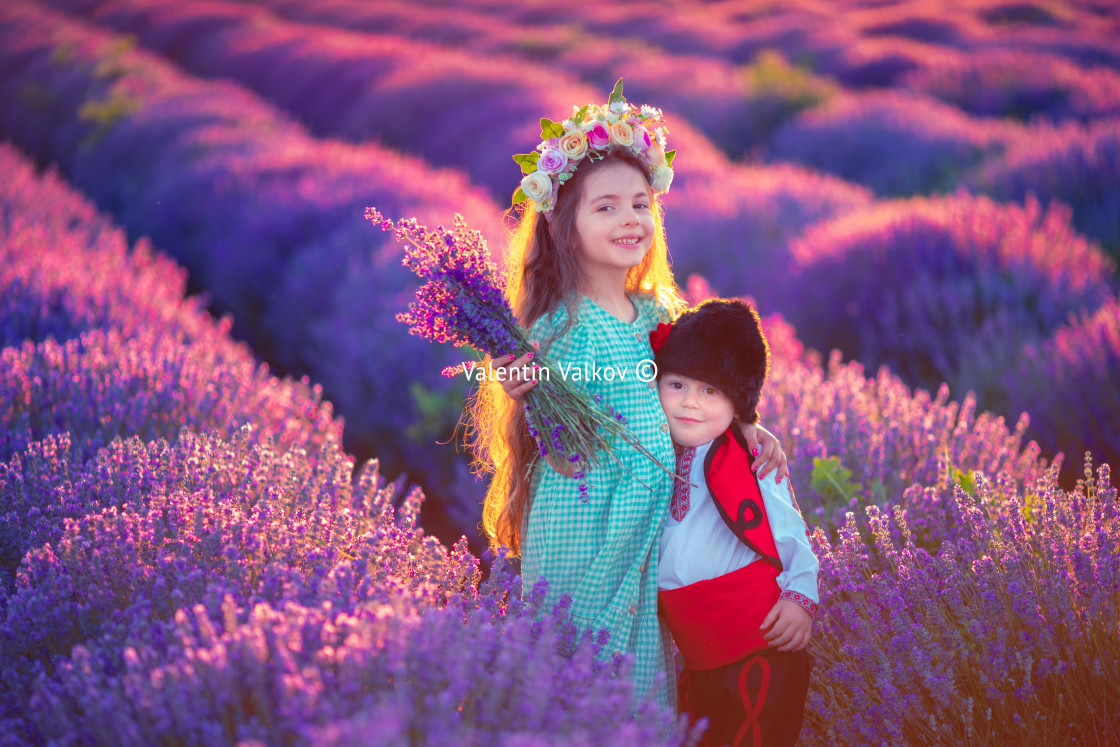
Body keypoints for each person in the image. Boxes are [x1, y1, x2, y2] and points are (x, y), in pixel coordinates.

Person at [470, 81, 790, 709]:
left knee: (640, 686)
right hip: (583, 524)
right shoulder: (558, 326)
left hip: (646, 530)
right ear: (565, 227)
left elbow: (700, 393)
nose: (630, 220)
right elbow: (534, 401)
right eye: (606, 207)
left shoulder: (658, 316)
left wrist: (743, 423)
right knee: (568, 675)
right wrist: (520, 386)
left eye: (640, 204)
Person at [653, 298, 818, 747]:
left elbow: (790, 529)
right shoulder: (653, 455)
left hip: (757, 642)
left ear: (738, 404)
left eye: (711, 391)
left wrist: (800, 598)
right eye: (677, 384)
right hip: (697, 654)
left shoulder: (751, 456)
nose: (690, 403)